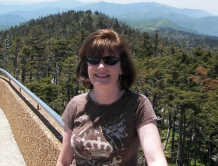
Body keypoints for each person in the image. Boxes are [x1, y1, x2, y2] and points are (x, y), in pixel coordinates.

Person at [56, 29, 167, 166]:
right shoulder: (75, 104)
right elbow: (64, 161)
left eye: (110, 60)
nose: (101, 66)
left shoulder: (137, 105)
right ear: (87, 66)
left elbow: (156, 159)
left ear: (122, 68)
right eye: (94, 60)